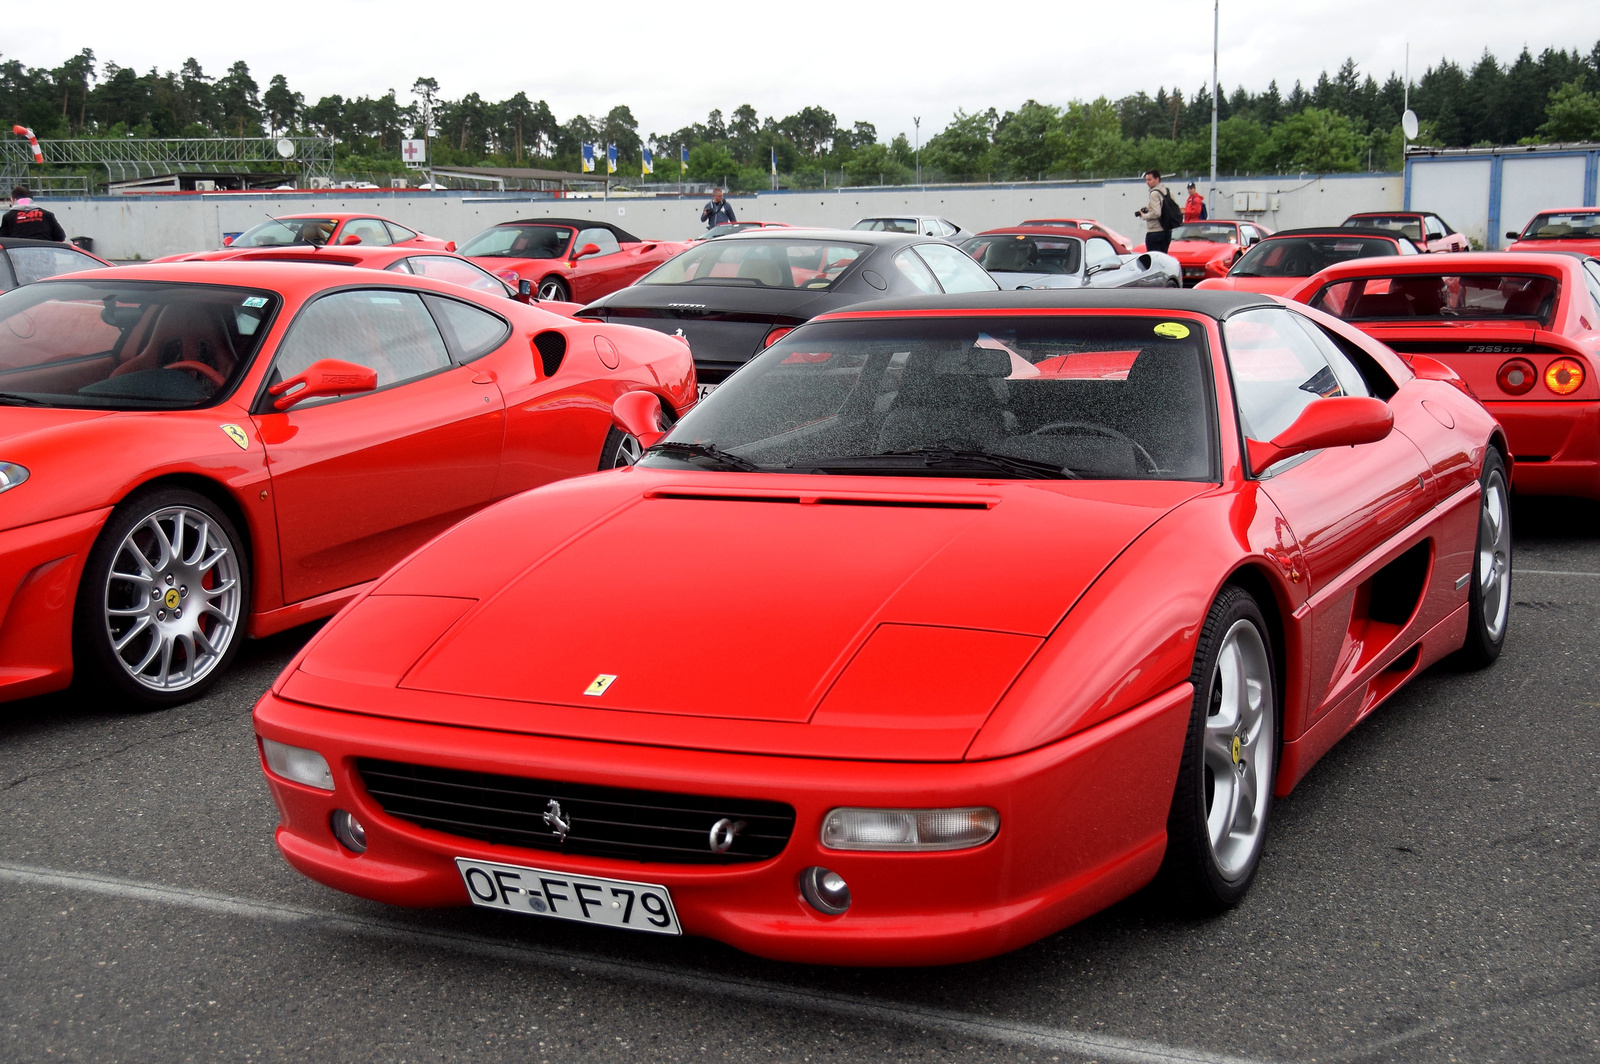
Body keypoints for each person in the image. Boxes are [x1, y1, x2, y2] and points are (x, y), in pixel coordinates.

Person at [1, 186, 66, 241]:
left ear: (15, 200)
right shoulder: (46, 214)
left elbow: (3, 239)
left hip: (20, 253)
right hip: (45, 252)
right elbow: (60, 237)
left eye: (11, 200)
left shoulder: (8, 217)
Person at [1134, 169, 1176, 254]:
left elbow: (1157, 213)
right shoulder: (1168, 191)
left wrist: (1143, 215)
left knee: (1154, 258)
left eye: (1149, 180)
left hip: (1155, 231)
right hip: (1167, 231)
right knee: (1163, 257)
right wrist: (1149, 209)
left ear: (1157, 179)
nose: (1147, 182)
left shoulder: (1154, 193)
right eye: (1146, 180)